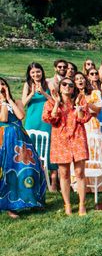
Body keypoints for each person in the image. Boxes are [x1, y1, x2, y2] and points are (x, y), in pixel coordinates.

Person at [42, 76, 91, 215]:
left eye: (70, 85)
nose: (67, 87)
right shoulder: (51, 102)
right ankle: (67, 204)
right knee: (63, 174)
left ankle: (82, 204)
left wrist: (79, 109)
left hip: (77, 138)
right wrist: (57, 103)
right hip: (61, 140)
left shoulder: (79, 100)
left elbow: (84, 119)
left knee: (80, 173)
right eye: (64, 84)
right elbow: (49, 118)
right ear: (60, 86)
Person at [0, 78, 46, 218]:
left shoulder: (17, 102)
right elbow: (3, 119)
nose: (1, 87)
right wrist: (2, 103)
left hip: (21, 140)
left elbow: (20, 115)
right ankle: (10, 206)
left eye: (2, 84)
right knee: (9, 172)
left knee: (31, 169)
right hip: (4, 141)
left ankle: (32, 201)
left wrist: (8, 99)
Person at [22, 62, 57, 190]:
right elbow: (23, 104)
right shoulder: (27, 85)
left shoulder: (48, 83)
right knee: (31, 150)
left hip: (46, 121)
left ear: (42, 72)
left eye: (38, 71)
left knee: (49, 150)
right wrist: (31, 93)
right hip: (31, 121)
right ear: (29, 74)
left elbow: (55, 102)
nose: (36, 74)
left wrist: (43, 92)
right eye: (33, 72)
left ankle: (53, 183)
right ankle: (35, 180)